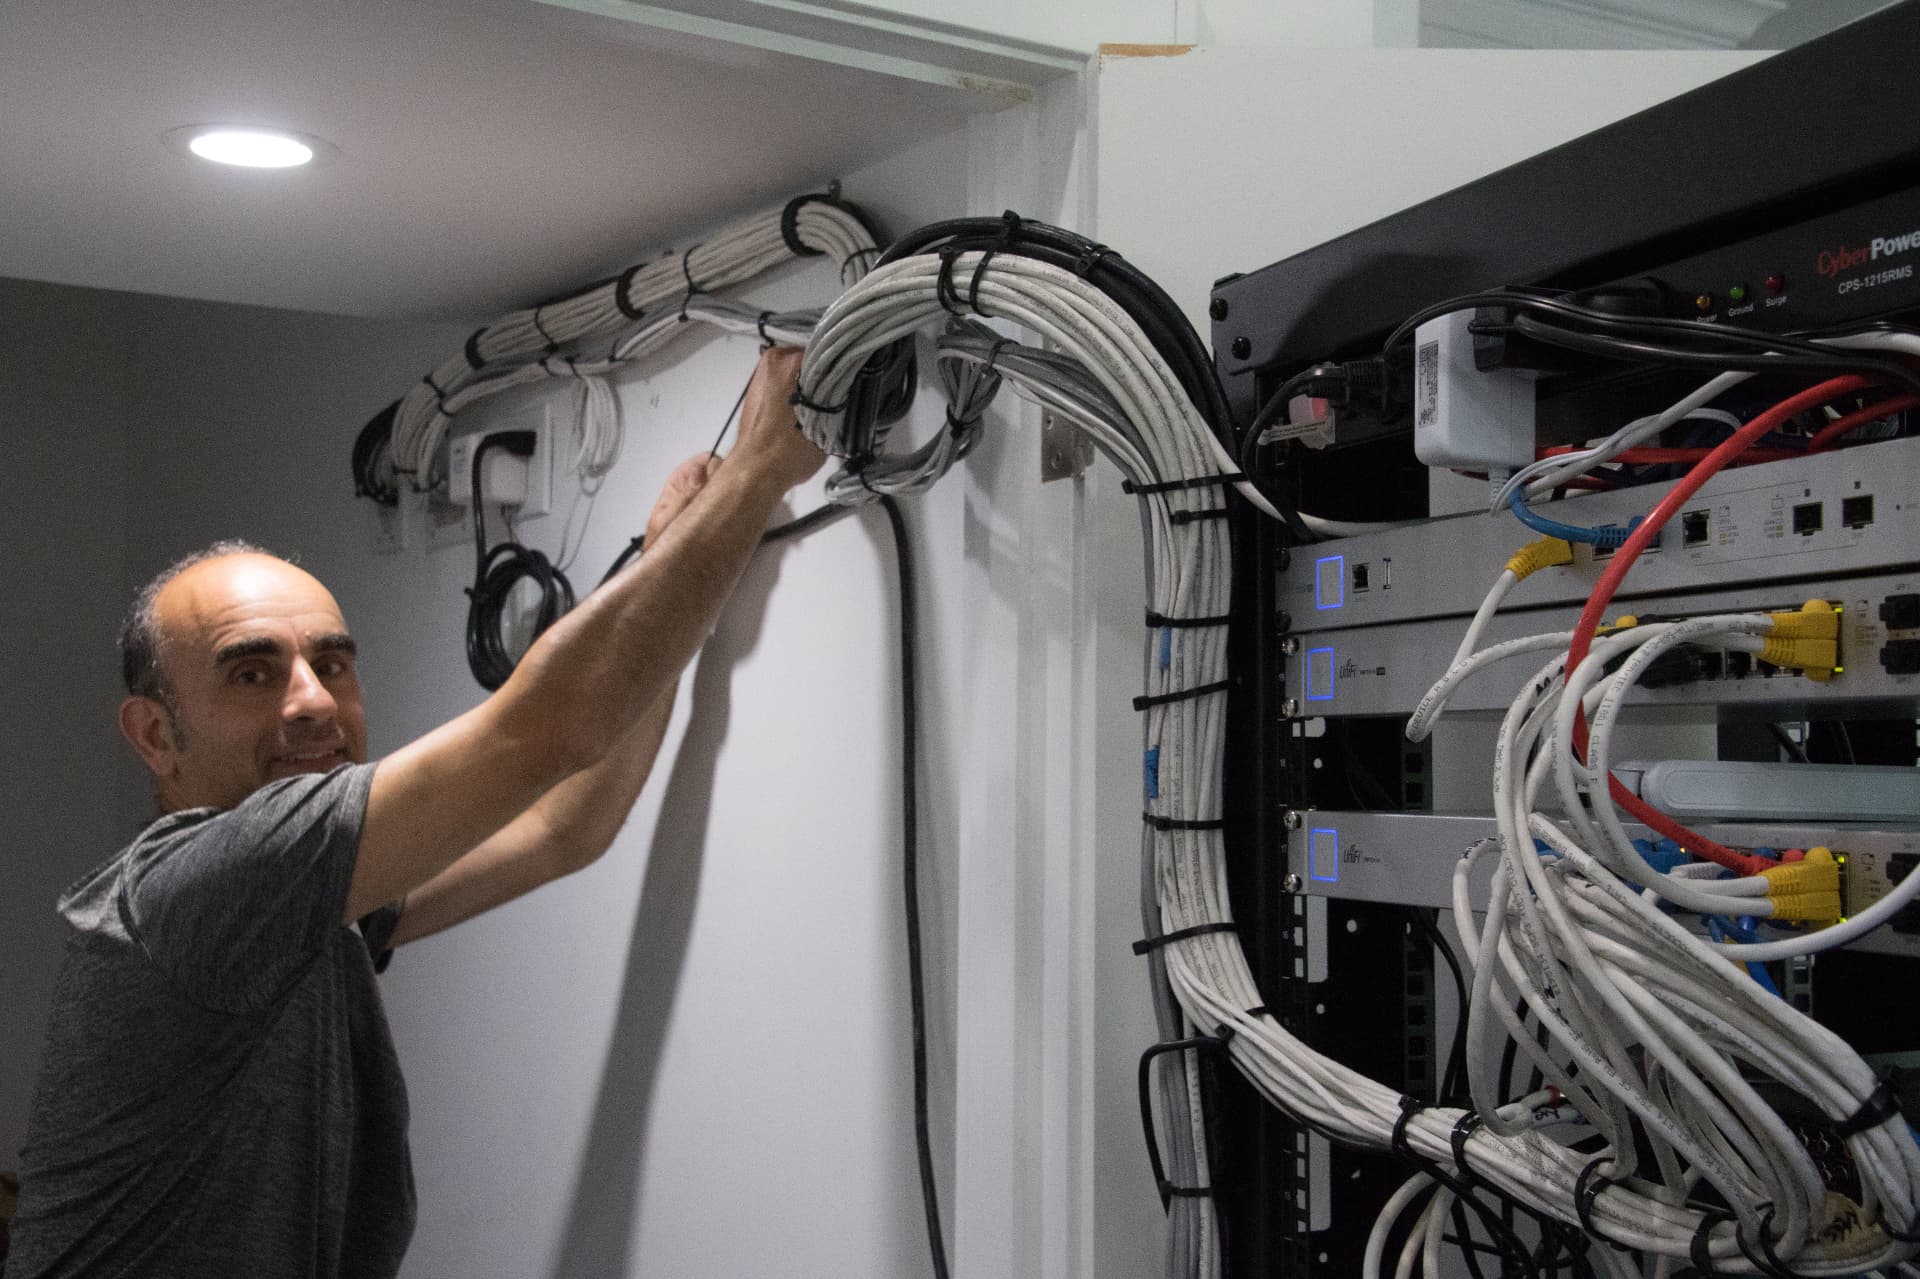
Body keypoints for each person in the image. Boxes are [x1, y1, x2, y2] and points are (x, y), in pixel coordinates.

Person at [6, 347, 821, 1278]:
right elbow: (549, 732)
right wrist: (757, 469)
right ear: (156, 735)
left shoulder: (314, 911)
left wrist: (685, 558)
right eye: (252, 670)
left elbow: (563, 827)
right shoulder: (197, 886)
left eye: (333, 662)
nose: (313, 700)